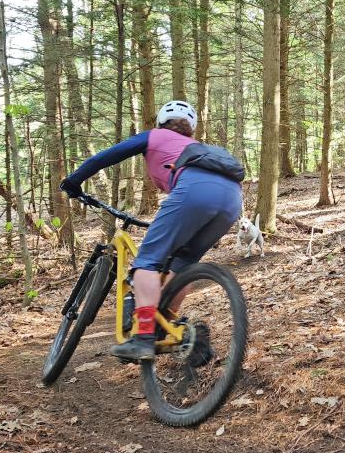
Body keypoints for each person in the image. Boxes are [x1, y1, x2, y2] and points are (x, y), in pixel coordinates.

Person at [59, 100, 244, 361]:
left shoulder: (155, 136)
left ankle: (144, 336)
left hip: (193, 191)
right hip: (232, 200)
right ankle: (167, 325)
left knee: (147, 261)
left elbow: (105, 157)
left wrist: (73, 181)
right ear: (191, 128)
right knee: (181, 264)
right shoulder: (199, 148)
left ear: (160, 122)